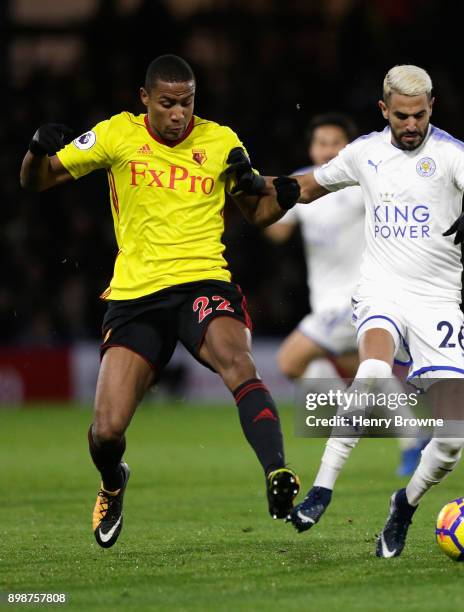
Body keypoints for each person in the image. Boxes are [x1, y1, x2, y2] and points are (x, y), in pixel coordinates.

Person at [20, 54, 300, 549]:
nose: (178, 114)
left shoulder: (221, 140)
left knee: (239, 363)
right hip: (136, 295)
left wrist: (284, 192)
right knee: (105, 433)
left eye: (187, 103)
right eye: (168, 103)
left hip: (204, 283)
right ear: (144, 98)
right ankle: (113, 482)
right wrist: (36, 152)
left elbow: (258, 212)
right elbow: (37, 181)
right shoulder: (116, 135)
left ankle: (277, 471)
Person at [271, 65, 464, 557]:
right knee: (374, 369)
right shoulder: (364, 152)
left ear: (432, 109)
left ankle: (404, 504)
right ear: (384, 110)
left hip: (437, 302)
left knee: (451, 442)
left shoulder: (452, 153)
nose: (411, 125)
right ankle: (322, 487)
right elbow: (306, 186)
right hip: (380, 292)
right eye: (401, 116)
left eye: (420, 115)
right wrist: (256, 187)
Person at [266, 112, 428, 480]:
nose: (326, 150)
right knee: (369, 371)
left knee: (290, 361)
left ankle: (352, 416)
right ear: (312, 147)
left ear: (348, 147)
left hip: (355, 299)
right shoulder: (303, 182)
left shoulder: (360, 182)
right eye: (320, 143)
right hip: (325, 303)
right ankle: (413, 439)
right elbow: (277, 231)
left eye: (334, 143)